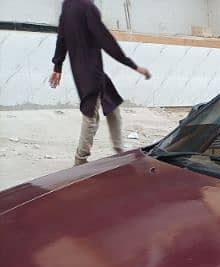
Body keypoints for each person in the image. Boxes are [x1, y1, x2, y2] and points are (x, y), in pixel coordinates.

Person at [49, 0, 151, 166]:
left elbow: (61, 38)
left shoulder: (67, 5)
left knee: (112, 104)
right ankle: (80, 160)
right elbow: (106, 40)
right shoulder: (88, 7)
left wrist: (57, 66)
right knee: (90, 116)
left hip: (83, 70)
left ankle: (119, 150)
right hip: (92, 72)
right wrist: (133, 65)